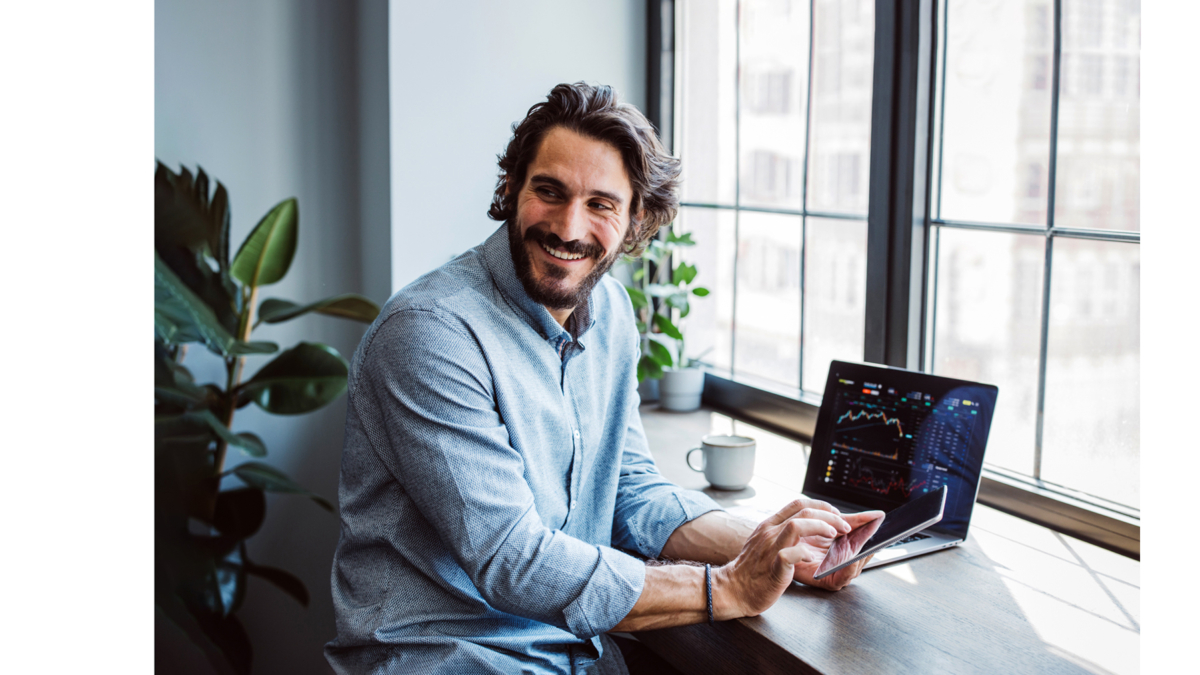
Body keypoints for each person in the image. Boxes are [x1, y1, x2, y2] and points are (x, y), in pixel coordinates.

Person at [325, 82, 881, 674]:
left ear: (636, 217)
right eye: (549, 191)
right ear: (511, 188)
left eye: (601, 204)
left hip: (577, 653)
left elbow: (627, 490)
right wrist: (731, 587)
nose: (568, 227)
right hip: (447, 658)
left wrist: (781, 546)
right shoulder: (430, 334)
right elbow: (514, 560)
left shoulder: (612, 313)